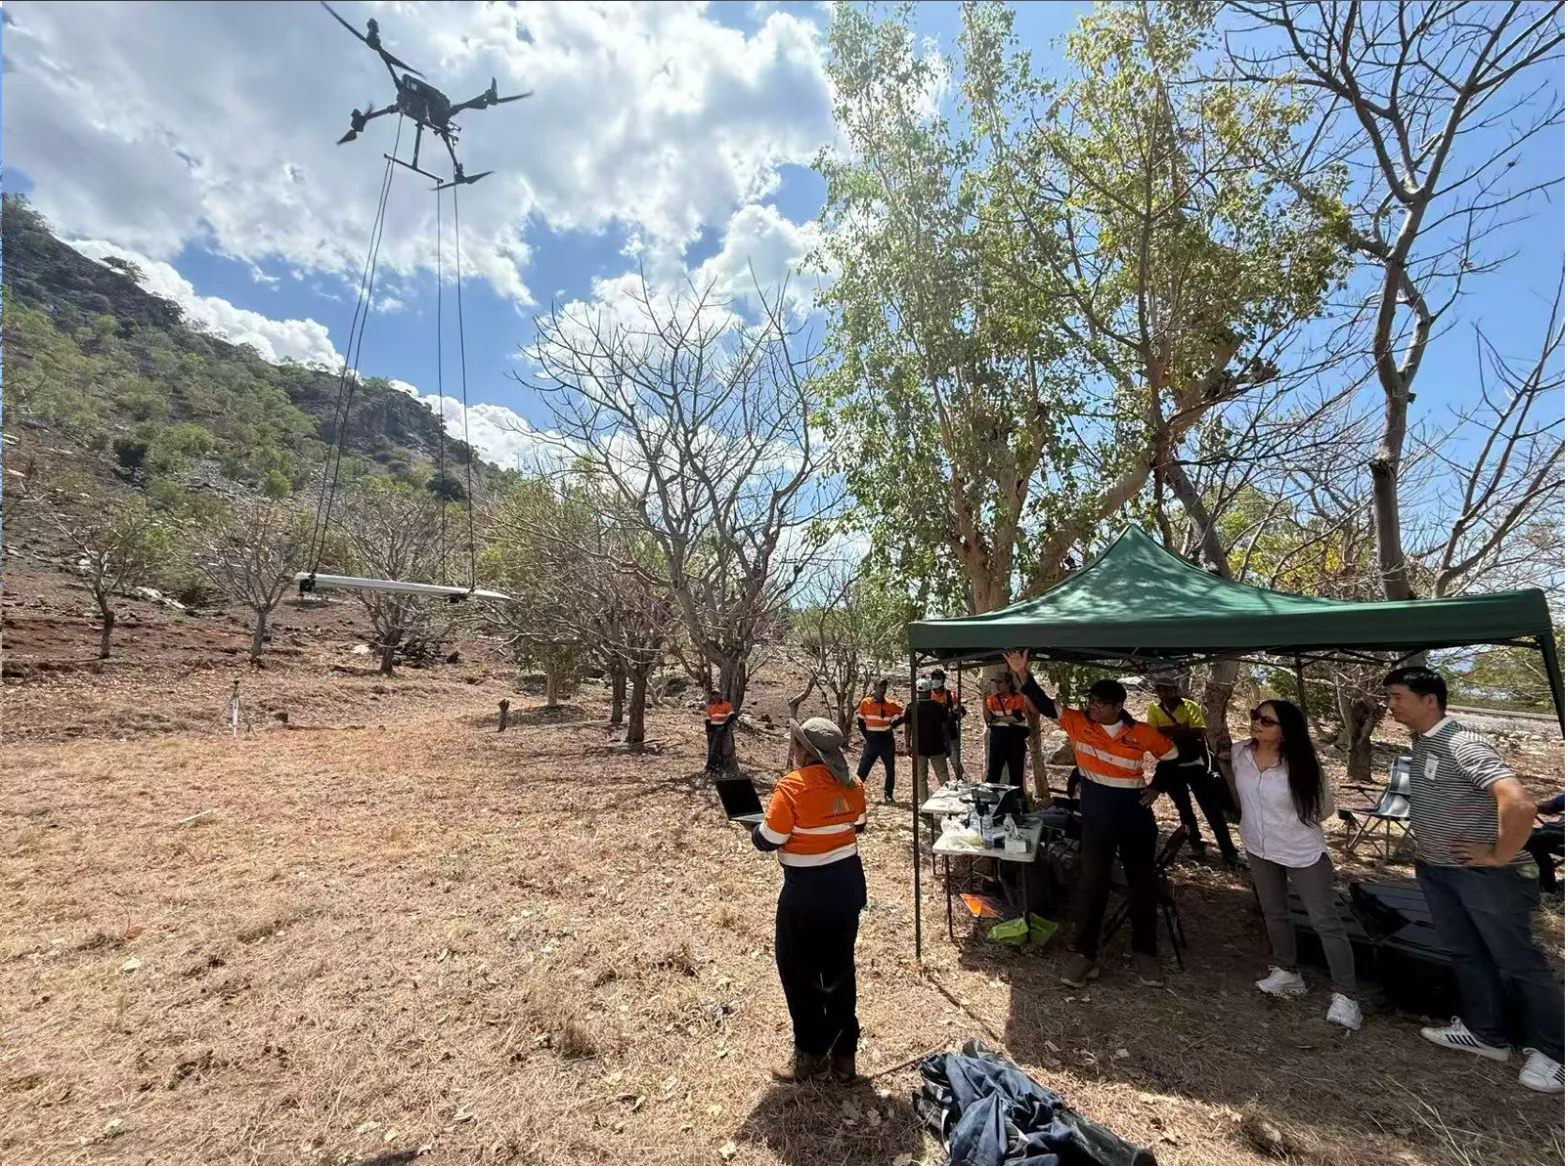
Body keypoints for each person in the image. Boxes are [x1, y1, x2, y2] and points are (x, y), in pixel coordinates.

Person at [1384, 666, 1564, 1094]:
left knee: (1519, 960)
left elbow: (1519, 804)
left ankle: (1556, 1052)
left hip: (1484, 877)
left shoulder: (1462, 743)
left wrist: (1498, 854)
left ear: (1430, 700)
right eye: (1388, 697)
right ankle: (1486, 1033)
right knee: (1466, 953)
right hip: (1438, 870)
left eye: (1397, 697)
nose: (1390, 706)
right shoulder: (1424, 740)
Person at [1005, 649, 1179, 988]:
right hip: (1097, 815)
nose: (1092, 707)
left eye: (1100, 703)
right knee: (1092, 882)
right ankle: (1086, 954)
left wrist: (1157, 787)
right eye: (1091, 701)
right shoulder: (1078, 722)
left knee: (1143, 883)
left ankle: (1145, 952)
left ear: (1118, 706)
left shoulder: (1142, 732)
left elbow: (1172, 756)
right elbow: (1042, 702)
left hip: (1135, 814)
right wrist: (1022, 672)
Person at [751, 717, 867, 1084]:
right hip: (847, 890)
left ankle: (810, 1053)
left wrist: (754, 828)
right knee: (839, 970)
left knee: (798, 971)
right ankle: (844, 1059)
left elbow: (768, 839)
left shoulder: (791, 787)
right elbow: (858, 824)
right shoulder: (853, 783)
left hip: (806, 895)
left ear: (805, 750)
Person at [1233, 699, 1362, 1031]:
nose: (1257, 723)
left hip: (1301, 850)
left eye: (1267, 721)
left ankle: (1347, 996)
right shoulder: (1239, 753)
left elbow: (1324, 809)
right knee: (1273, 911)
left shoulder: (1303, 764)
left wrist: (1286, 823)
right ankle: (1287, 972)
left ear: (1286, 731)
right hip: (1258, 846)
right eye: (1255, 716)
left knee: (1325, 921)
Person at [1146, 674, 1240, 867]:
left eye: (1167, 688)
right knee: (1184, 810)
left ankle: (1229, 851)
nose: (1163, 692)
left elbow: (1198, 731)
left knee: (1211, 809)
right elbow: (1153, 733)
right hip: (1170, 767)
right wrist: (1181, 728)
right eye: (1159, 689)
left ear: (1175, 689)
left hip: (1194, 764)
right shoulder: (1154, 708)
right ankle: (1196, 846)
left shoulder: (1190, 706)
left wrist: (1168, 731)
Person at [855, 679, 906, 803]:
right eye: (880, 687)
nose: (882, 690)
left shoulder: (891, 704)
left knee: (890, 769)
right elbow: (860, 721)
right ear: (874, 688)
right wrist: (867, 736)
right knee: (863, 768)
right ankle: (855, 792)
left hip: (886, 740)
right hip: (872, 740)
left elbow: (904, 714)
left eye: (884, 687)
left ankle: (888, 794)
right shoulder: (866, 703)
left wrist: (893, 725)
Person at [909, 678, 951, 805]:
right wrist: (947, 744)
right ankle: (948, 802)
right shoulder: (938, 707)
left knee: (921, 777)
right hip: (937, 746)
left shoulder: (912, 707)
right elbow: (944, 727)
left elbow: (907, 727)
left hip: (919, 747)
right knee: (943, 776)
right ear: (929, 691)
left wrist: (907, 744)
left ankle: (924, 804)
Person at [984, 672, 1029, 788]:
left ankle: (1016, 797)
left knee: (1016, 773)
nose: (997, 685)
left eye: (1000, 682)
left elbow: (1017, 717)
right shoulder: (992, 699)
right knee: (993, 772)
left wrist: (998, 719)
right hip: (997, 738)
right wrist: (984, 699)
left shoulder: (1018, 698)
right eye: (996, 682)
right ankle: (991, 796)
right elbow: (988, 719)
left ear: (1009, 683)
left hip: (1015, 738)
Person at [929, 668, 966, 782]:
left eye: (938, 678)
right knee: (939, 761)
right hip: (935, 734)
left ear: (943, 680)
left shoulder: (950, 696)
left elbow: (961, 712)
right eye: (933, 678)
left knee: (955, 759)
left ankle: (961, 780)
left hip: (951, 733)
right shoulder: (928, 695)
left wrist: (952, 716)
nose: (935, 681)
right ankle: (944, 784)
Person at [1524, 793, 1564, 894]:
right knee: (1527, 838)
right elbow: (1551, 806)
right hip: (1556, 831)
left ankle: (1547, 889)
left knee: (1534, 841)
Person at [704, 688, 737, 775]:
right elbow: (708, 719)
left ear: (720, 695)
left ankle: (712, 767)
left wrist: (724, 726)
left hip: (720, 729)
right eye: (714, 694)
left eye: (717, 694)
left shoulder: (726, 705)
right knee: (713, 748)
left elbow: (732, 716)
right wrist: (708, 730)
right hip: (713, 729)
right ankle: (713, 766)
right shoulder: (711, 706)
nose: (715, 696)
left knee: (714, 748)